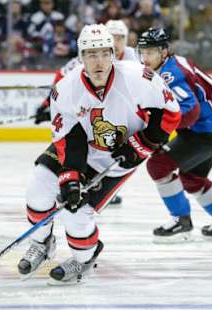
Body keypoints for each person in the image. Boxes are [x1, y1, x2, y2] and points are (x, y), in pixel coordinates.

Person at [18, 24, 181, 285]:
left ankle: (85, 259)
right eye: (91, 55)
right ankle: (42, 242)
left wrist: (141, 145)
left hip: (116, 160)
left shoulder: (139, 78)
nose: (99, 61)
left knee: (77, 213)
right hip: (83, 149)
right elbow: (69, 139)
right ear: (81, 58)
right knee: (39, 185)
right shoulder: (66, 89)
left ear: (113, 55)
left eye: (105, 53)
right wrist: (71, 177)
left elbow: (169, 114)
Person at [137, 28, 212, 242]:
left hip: (209, 128)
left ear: (164, 52)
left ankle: (181, 222)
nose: (145, 58)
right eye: (143, 52)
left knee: (158, 166)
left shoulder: (169, 73)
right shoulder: (168, 66)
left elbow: (190, 112)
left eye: (151, 52)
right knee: (192, 177)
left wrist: (160, 132)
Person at [33, 19, 138, 206]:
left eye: (120, 37)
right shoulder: (86, 58)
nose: (117, 40)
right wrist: (46, 105)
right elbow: (61, 80)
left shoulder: (133, 60)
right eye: (113, 37)